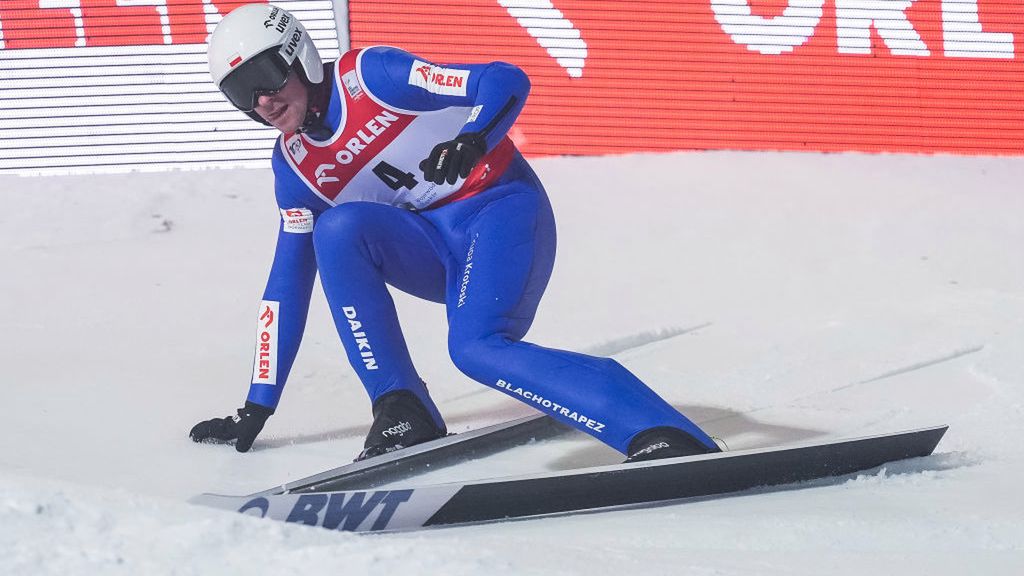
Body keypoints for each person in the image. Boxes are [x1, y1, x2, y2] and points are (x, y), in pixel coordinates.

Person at [189, 3, 720, 462]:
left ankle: (657, 429)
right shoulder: (295, 167)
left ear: (298, 55)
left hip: (501, 212)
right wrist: (257, 404)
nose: (262, 101)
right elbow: (286, 283)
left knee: (476, 350)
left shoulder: (371, 77)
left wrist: (474, 136)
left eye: (267, 77)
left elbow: (502, 78)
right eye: (241, 93)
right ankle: (401, 407)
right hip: (436, 247)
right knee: (338, 230)